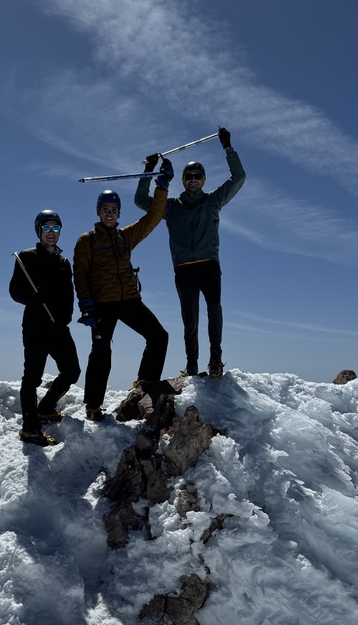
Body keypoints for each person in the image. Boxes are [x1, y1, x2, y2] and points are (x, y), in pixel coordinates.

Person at [135, 127, 245, 379]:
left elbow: (239, 177)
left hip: (209, 265)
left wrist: (228, 148)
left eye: (197, 176)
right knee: (190, 318)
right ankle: (192, 364)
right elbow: (141, 201)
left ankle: (215, 359)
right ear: (183, 180)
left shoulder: (213, 201)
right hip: (184, 268)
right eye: (189, 176)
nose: (193, 180)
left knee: (214, 309)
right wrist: (149, 171)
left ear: (203, 180)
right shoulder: (171, 207)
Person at [73, 158, 173, 421]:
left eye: (114, 210)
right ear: (98, 212)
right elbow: (80, 274)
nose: (110, 213)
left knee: (159, 336)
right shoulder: (87, 241)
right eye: (105, 209)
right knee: (101, 351)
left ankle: (146, 382)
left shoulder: (125, 237)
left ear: (119, 214)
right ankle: (93, 405)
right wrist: (86, 305)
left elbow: (152, 219)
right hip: (102, 304)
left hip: (129, 300)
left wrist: (162, 187)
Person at [9, 210, 81, 446]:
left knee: (72, 370)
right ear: (39, 231)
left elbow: (69, 292)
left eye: (55, 228)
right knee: (32, 377)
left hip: (58, 326)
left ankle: (46, 408)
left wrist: (67, 316)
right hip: (35, 325)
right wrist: (31, 298)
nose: (51, 233)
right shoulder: (27, 257)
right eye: (47, 228)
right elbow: (14, 290)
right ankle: (30, 428)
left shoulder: (63, 262)